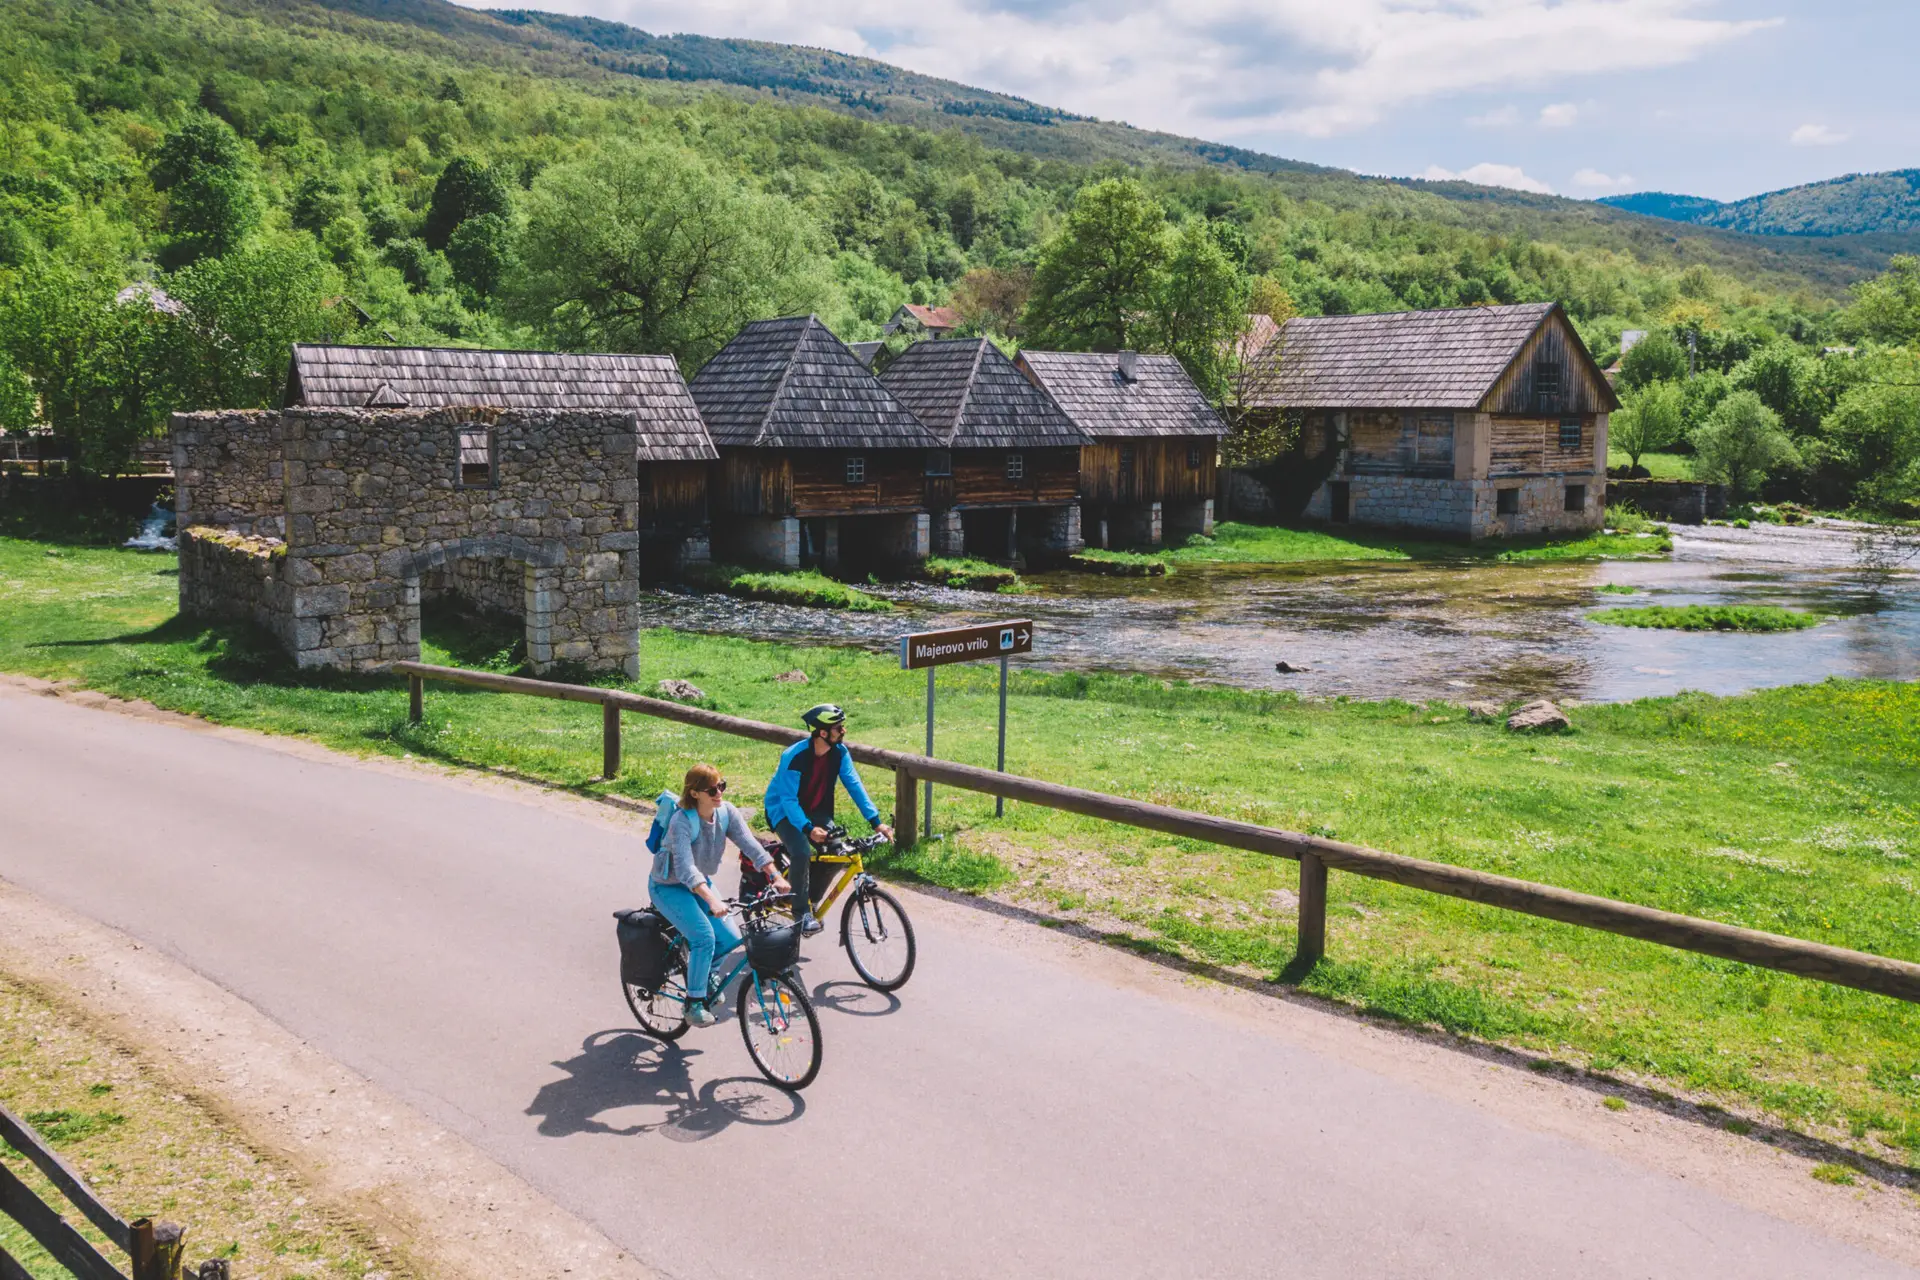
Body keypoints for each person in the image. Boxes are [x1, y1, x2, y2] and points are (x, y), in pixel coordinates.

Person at [650, 763, 789, 1027]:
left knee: (731, 937)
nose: (719, 793)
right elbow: (685, 869)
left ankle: (707, 974)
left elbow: (750, 845)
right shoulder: (682, 821)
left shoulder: (725, 813)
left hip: (700, 883)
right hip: (669, 886)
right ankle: (694, 1003)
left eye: (721, 786)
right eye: (712, 790)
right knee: (704, 937)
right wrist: (712, 900)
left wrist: (775, 875)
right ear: (694, 793)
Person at [763, 704, 893, 936]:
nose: (843, 731)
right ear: (823, 732)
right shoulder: (794, 756)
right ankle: (801, 913)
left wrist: (876, 821)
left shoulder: (839, 753)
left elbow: (854, 785)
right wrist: (808, 829)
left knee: (839, 852)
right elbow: (788, 800)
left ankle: (808, 897)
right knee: (801, 851)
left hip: (816, 810)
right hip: (783, 811)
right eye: (838, 728)